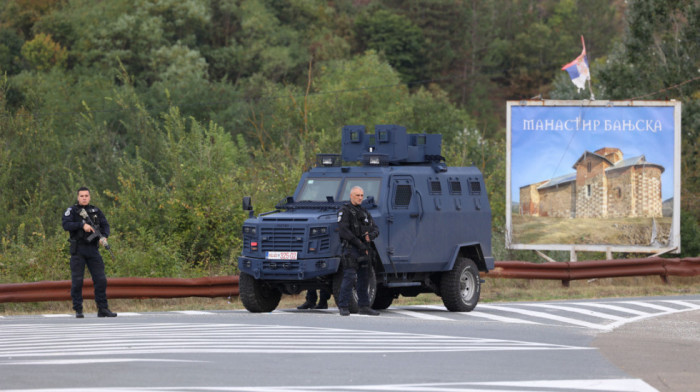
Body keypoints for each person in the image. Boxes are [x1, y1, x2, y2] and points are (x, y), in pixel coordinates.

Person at [62, 187, 117, 318]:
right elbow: (66, 225)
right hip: (78, 250)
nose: (84, 198)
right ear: (78, 197)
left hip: (93, 249)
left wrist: (104, 236)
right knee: (77, 281)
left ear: (90, 197)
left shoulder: (96, 210)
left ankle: (102, 308)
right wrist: (81, 225)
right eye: (82, 196)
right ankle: (78, 309)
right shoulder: (72, 211)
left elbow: (105, 225)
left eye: (86, 195)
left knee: (101, 279)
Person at [336, 186, 380, 316]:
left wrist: (370, 236)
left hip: (364, 249)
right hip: (352, 249)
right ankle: (343, 306)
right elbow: (344, 231)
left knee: (364, 279)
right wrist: (358, 243)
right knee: (349, 277)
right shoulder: (345, 211)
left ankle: (364, 306)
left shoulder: (365, 212)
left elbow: (375, 228)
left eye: (362, 195)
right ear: (351, 196)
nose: (360, 198)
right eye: (357, 195)